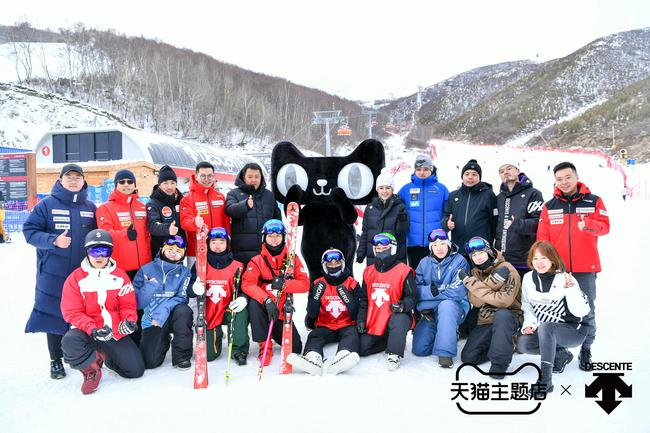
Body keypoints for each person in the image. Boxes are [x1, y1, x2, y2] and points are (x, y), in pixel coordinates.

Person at [22, 163, 97, 380]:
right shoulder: (46, 205)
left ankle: (82, 354)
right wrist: (53, 240)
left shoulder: (90, 207)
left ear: (83, 181)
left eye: (77, 177)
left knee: (84, 314)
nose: (73, 181)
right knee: (54, 314)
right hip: (53, 273)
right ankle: (55, 360)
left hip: (83, 274)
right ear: (60, 180)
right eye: (69, 177)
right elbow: (29, 231)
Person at [537, 161, 609, 370]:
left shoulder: (594, 201)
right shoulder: (549, 206)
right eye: (559, 179)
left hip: (585, 268)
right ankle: (560, 352)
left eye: (568, 177)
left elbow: (605, 227)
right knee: (556, 311)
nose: (564, 182)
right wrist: (545, 263)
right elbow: (542, 238)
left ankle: (586, 350)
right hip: (558, 270)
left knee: (587, 311)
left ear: (576, 177)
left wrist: (588, 224)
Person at [60, 229, 144, 395]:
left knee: (135, 370)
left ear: (110, 253)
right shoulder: (75, 278)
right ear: (87, 252)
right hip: (87, 331)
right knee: (69, 341)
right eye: (94, 251)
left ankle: (105, 356)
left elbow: (128, 304)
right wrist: (93, 329)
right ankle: (91, 370)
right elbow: (72, 312)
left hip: (112, 331)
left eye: (104, 251)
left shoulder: (120, 276)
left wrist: (129, 321)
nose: (99, 256)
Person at [517, 241, 591, 393]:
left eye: (544, 258)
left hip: (574, 331)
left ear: (552, 258)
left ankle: (545, 380)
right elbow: (527, 305)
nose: (539, 262)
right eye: (535, 258)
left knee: (546, 327)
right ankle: (560, 354)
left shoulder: (565, 278)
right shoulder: (528, 278)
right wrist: (529, 324)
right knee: (524, 344)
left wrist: (571, 290)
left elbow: (581, 312)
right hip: (547, 331)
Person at [441, 159, 498, 337]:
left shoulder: (488, 195)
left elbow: (494, 221)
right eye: (467, 174)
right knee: (461, 286)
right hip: (459, 249)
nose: (470, 177)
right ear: (462, 176)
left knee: (480, 286)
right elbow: (445, 217)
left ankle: (477, 324)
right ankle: (462, 323)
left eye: (474, 174)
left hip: (480, 251)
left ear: (479, 177)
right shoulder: (454, 195)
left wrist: (491, 244)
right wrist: (446, 224)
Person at [241, 219, 310, 366]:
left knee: (296, 348)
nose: (274, 239)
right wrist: (266, 300)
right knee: (254, 304)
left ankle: (273, 332)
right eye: (270, 236)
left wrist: (285, 285)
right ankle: (264, 347)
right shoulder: (256, 261)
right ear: (264, 237)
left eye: (278, 236)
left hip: (280, 311)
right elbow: (247, 284)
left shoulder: (292, 259)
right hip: (263, 308)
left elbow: (305, 284)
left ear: (283, 237)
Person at [288, 248, 361, 375]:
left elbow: (356, 314)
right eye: (330, 264)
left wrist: (348, 300)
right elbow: (312, 314)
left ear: (343, 264)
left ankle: (343, 356)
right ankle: (313, 359)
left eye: (337, 263)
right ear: (324, 265)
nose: (334, 266)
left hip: (346, 324)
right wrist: (315, 298)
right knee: (314, 336)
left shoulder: (352, 283)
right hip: (324, 325)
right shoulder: (318, 283)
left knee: (352, 335)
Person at [459, 236, 522, 379]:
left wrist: (475, 286)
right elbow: (476, 301)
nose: (478, 257)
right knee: (469, 357)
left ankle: (500, 363)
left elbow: (504, 301)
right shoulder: (476, 273)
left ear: (488, 251)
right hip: (487, 318)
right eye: (474, 255)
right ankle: (506, 345)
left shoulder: (507, 268)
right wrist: (494, 282)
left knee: (502, 314)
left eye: (481, 253)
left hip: (509, 317)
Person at [188, 227, 249, 365]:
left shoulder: (238, 266)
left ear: (227, 244)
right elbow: (188, 289)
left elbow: (246, 287)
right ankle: (216, 338)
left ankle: (239, 349)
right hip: (209, 311)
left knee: (240, 312)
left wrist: (243, 297)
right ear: (208, 244)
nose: (217, 246)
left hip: (229, 308)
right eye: (213, 242)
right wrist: (193, 288)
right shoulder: (200, 265)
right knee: (209, 356)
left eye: (222, 242)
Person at [132, 236, 193, 370]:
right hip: (152, 320)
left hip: (172, 316)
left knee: (184, 311)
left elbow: (182, 297)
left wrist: (163, 310)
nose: (173, 253)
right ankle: (163, 339)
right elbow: (137, 303)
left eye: (178, 252)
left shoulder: (184, 272)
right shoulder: (146, 270)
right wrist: (150, 287)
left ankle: (182, 357)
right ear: (162, 249)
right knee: (150, 362)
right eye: (170, 249)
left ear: (183, 255)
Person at [357, 232, 416, 371]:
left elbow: (413, 297)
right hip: (376, 319)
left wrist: (403, 306)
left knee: (399, 319)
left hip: (397, 316)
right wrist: (361, 319)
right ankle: (388, 340)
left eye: (385, 248)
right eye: (378, 248)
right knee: (362, 348)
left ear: (393, 248)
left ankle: (394, 353)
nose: (381, 250)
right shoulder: (368, 271)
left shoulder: (403, 271)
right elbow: (364, 299)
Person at [412, 229, 470, 368]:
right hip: (431, 312)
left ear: (449, 245)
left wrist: (429, 300)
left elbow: (457, 292)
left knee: (447, 305)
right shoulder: (424, 263)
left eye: (443, 244)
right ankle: (445, 332)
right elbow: (415, 290)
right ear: (431, 247)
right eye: (435, 245)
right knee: (420, 349)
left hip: (455, 308)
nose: (439, 248)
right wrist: (428, 292)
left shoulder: (460, 261)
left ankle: (445, 353)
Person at [96, 169, 152, 280]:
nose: (126, 184)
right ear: (116, 185)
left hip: (144, 266)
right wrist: (125, 233)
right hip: (121, 268)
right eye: (122, 182)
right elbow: (104, 235)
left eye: (130, 182)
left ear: (134, 184)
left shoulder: (142, 207)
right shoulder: (105, 208)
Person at [398, 154, 449, 269]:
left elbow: (448, 213)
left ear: (431, 170)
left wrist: (445, 226)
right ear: (414, 170)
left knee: (436, 274)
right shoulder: (405, 189)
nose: (422, 172)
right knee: (416, 273)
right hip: (413, 242)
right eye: (419, 169)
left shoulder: (441, 189)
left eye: (426, 169)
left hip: (436, 242)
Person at [225, 162, 281, 266]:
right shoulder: (234, 194)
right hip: (241, 252)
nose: (254, 180)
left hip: (266, 250)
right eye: (250, 177)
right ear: (243, 177)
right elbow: (229, 210)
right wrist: (244, 205)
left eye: (257, 177)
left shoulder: (269, 195)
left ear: (261, 178)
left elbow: (277, 219)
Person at [495, 163, 544, 279]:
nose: (505, 172)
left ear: (518, 171)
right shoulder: (499, 197)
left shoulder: (533, 193)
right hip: (502, 259)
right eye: (501, 171)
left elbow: (539, 223)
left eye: (509, 168)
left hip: (523, 260)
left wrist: (517, 224)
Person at [180, 161, 230, 267]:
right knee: (197, 278)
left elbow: (226, 223)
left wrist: (228, 242)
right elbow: (184, 222)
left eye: (210, 176)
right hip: (196, 251)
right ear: (196, 177)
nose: (206, 179)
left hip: (219, 249)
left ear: (214, 177)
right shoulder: (187, 199)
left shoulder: (220, 197)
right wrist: (194, 222)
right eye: (203, 176)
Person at [357, 172, 409, 266]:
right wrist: (361, 253)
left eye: (388, 188)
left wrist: (402, 221)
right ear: (377, 190)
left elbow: (402, 233)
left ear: (392, 189)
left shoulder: (400, 207)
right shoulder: (370, 208)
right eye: (381, 188)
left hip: (394, 255)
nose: (384, 191)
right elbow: (365, 232)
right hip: (374, 255)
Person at [147, 165, 186, 256]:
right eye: (165, 183)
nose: (169, 187)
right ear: (159, 184)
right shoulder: (153, 204)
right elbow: (152, 225)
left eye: (172, 183)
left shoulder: (181, 201)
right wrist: (167, 229)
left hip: (179, 252)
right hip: (161, 254)